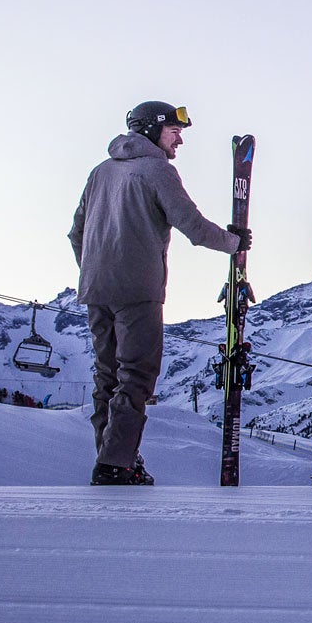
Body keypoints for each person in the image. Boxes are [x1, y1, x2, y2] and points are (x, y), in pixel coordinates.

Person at [70, 102, 249, 485]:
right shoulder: (158, 171)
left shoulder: (100, 172)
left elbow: (76, 233)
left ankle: (113, 457)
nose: (180, 139)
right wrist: (234, 242)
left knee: (107, 375)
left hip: (96, 289)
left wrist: (96, 270)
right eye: (174, 131)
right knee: (135, 376)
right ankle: (116, 465)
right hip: (138, 291)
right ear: (152, 130)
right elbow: (194, 227)